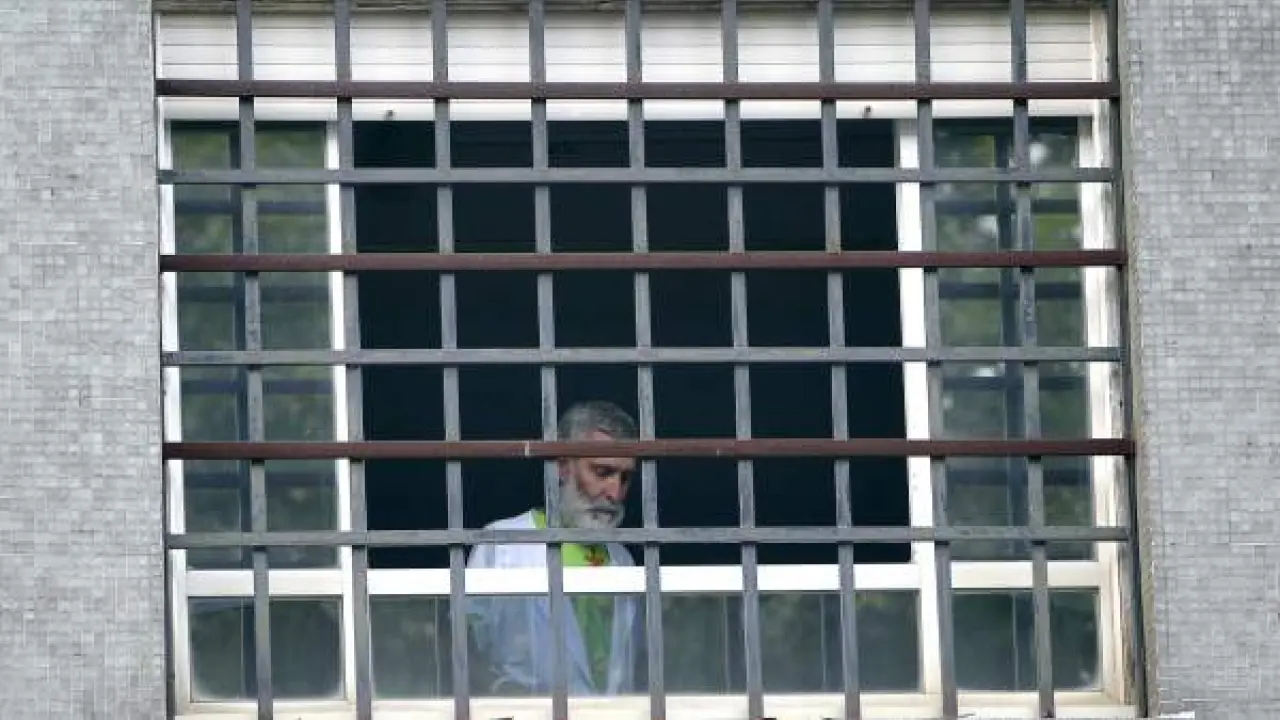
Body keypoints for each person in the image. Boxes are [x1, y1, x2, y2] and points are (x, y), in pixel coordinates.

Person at [466, 401, 642, 697]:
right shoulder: (503, 543)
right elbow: (463, 649)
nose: (614, 492)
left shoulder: (621, 558)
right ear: (562, 466)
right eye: (602, 472)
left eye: (625, 478)